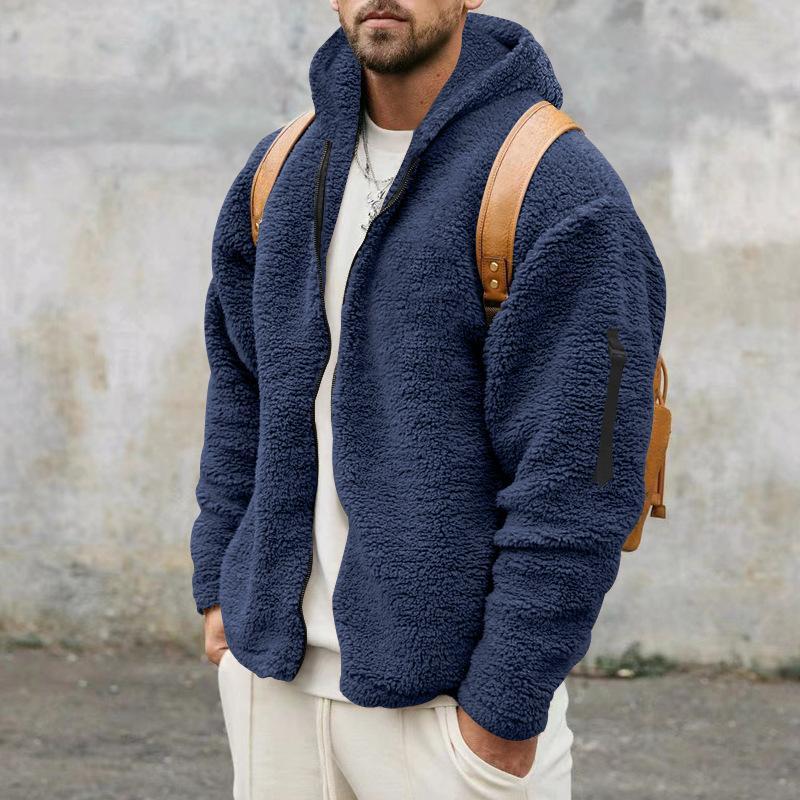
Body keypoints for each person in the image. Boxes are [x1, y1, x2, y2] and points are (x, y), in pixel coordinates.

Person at [190, 2, 667, 798]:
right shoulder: (281, 168)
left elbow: (583, 472)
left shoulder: (551, 182)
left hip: (446, 710)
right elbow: (241, 391)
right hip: (271, 681)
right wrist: (219, 586)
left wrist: (505, 703)